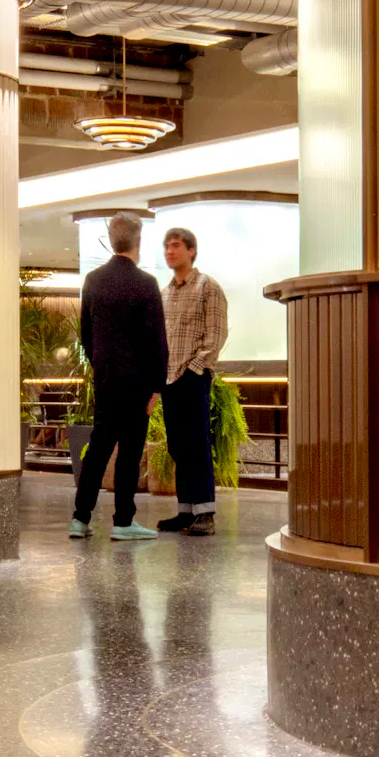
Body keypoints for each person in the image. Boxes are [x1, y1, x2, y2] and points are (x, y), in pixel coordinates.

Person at [70, 214, 165, 540]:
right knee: (130, 449)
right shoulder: (146, 284)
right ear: (138, 241)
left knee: (98, 449)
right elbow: (157, 340)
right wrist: (156, 386)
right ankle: (124, 521)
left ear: (112, 240)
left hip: (107, 378)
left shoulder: (93, 281)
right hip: (137, 382)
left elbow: (86, 333)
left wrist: (101, 366)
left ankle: (80, 519)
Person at [155, 224, 230, 534]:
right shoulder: (164, 293)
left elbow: (216, 334)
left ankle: (205, 513)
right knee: (178, 446)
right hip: (169, 380)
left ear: (191, 250)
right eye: (166, 247)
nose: (170, 252)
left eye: (175, 245)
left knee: (197, 445)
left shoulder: (207, 287)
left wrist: (194, 369)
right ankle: (186, 510)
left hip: (193, 378)